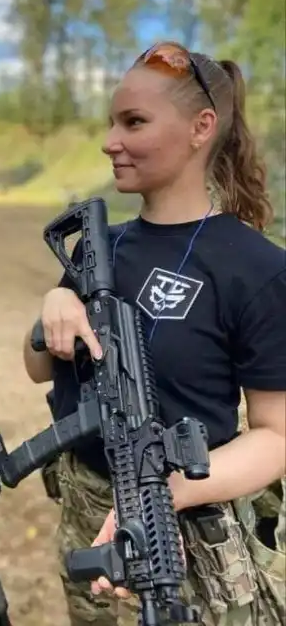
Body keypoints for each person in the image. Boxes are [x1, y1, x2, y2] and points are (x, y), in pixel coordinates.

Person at [23, 41, 286, 625]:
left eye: (134, 122)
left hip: (186, 529)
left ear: (201, 127)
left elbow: (276, 437)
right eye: (111, 122)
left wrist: (167, 493)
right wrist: (53, 307)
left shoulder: (258, 269)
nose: (110, 141)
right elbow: (39, 367)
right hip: (86, 510)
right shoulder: (101, 248)